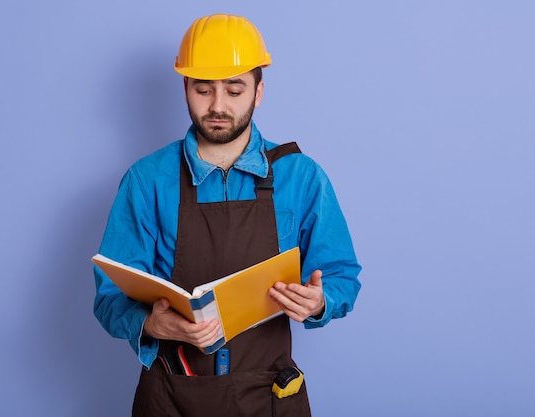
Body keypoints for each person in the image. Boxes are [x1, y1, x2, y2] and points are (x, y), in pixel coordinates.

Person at [93, 13, 361, 417]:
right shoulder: (146, 180)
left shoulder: (301, 177)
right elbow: (110, 297)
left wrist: (320, 300)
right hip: (170, 395)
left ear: (259, 92)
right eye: (203, 90)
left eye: (234, 90)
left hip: (269, 396)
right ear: (185, 88)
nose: (217, 106)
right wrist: (150, 324)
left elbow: (342, 276)